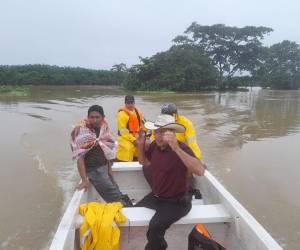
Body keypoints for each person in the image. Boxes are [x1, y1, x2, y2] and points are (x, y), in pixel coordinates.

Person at [135, 114, 206, 250]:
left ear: (172, 133)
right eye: (157, 131)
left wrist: (176, 148)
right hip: (157, 197)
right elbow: (143, 161)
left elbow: (200, 171)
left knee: (154, 228)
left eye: (163, 132)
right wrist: (140, 145)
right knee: (132, 210)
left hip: (177, 202)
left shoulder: (182, 148)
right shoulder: (155, 146)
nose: (158, 135)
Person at [71, 105, 132, 206]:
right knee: (115, 197)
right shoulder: (83, 133)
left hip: (104, 166)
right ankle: (125, 210)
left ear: (103, 117)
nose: (94, 120)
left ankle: (127, 207)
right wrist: (84, 180)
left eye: (97, 117)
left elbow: (106, 149)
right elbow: (80, 158)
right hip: (94, 171)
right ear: (88, 117)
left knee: (116, 190)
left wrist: (109, 168)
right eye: (92, 117)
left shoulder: (104, 128)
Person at [116, 95, 144, 161]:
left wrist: (144, 134)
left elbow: (142, 125)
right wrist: (133, 140)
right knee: (128, 148)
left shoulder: (138, 113)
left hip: (136, 135)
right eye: (128, 103)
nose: (130, 105)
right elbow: (123, 131)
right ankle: (125, 162)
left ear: (134, 103)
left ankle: (138, 161)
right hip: (124, 137)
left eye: (131, 103)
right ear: (125, 103)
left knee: (144, 146)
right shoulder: (121, 114)